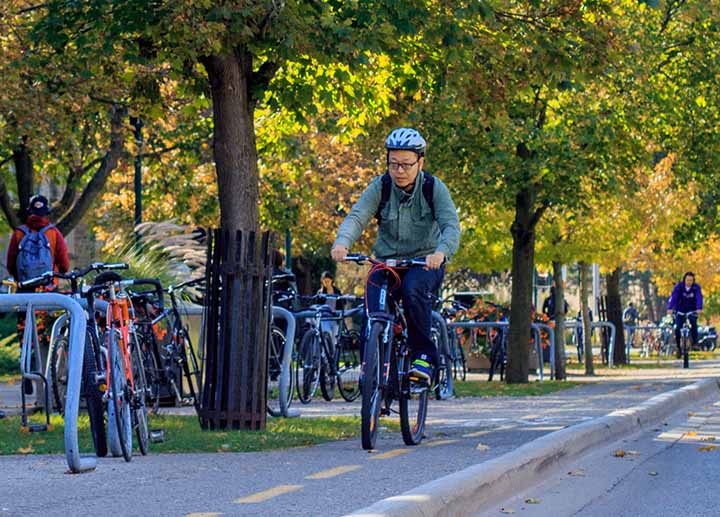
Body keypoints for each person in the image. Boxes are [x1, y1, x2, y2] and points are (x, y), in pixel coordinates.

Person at [331, 127, 461, 384]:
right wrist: (342, 243)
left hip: (424, 262)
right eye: (394, 164)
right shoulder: (381, 186)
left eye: (406, 164)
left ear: (420, 162)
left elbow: (450, 226)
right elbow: (358, 216)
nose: (399, 171)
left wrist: (440, 252)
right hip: (387, 262)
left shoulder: (433, 188)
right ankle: (372, 372)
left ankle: (423, 358)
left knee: (414, 290)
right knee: (372, 307)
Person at [5, 195, 70, 405]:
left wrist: (22, 280)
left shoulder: (18, 234)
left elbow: (11, 263)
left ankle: (27, 371)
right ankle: (48, 386)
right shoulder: (53, 233)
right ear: (46, 213)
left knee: (26, 335)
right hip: (48, 293)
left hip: (25, 293)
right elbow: (65, 264)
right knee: (47, 337)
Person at [666, 272, 703, 358]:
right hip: (680, 309)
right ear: (684, 280)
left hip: (692, 310)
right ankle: (678, 347)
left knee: (694, 324)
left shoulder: (696, 288)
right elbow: (673, 297)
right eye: (687, 280)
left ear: (693, 281)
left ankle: (695, 343)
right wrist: (670, 308)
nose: (689, 282)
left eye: (691, 280)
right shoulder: (679, 287)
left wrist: (699, 308)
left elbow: (699, 298)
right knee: (677, 327)